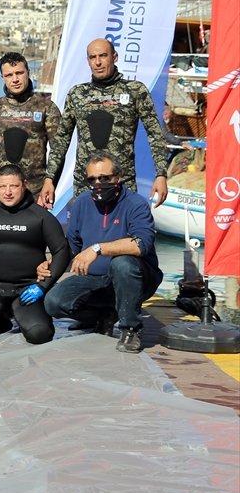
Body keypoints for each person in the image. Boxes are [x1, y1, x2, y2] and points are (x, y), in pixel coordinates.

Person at [43, 151, 162, 353]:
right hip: (96, 279)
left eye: (105, 178)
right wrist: (48, 263)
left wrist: (97, 249)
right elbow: (71, 246)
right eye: (92, 179)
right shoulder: (81, 203)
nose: (98, 183)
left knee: (122, 263)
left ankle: (130, 329)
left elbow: (141, 244)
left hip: (136, 277)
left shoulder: (135, 204)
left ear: (118, 177)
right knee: (53, 302)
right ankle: (105, 315)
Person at [42, 38, 169, 206]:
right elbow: (61, 141)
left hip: (122, 185)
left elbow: (155, 134)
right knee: (83, 232)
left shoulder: (135, 91)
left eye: (103, 56)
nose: (98, 62)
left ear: (114, 57)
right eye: (93, 57)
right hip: (85, 186)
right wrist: (50, 178)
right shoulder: (77, 94)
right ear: (88, 61)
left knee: (124, 233)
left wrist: (161, 174)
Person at [0, 164, 70, 344]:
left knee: (39, 334)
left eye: (14, 186)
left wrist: (42, 287)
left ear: (24, 185)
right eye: (2, 186)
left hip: (26, 290)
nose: (7, 192)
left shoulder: (40, 216)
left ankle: (15, 313)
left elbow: (62, 251)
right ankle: (0, 314)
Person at [0, 52, 62, 207]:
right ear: (3, 77)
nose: (15, 79)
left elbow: (58, 150)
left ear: (28, 73)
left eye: (19, 73)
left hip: (35, 192)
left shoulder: (46, 107)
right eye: (9, 75)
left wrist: (50, 182)